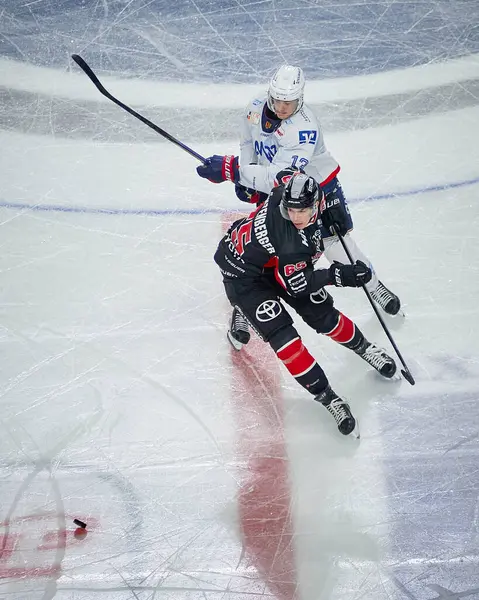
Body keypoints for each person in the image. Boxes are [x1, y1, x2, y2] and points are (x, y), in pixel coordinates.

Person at [197, 64, 402, 349]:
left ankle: (373, 285)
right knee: (260, 249)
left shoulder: (304, 128)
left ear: (300, 98)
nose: (282, 107)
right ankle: (243, 307)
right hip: (276, 188)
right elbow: (248, 144)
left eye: (289, 102)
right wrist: (247, 175)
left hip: (316, 187)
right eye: (278, 99)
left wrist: (233, 171)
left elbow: (280, 176)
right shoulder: (255, 107)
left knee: (334, 243)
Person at [213, 170, 397, 436]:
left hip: (272, 260)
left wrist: (330, 208)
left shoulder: (288, 186)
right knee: (286, 342)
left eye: (303, 210)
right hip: (244, 276)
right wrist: (340, 275)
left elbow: (282, 173)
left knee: (323, 315)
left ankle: (365, 348)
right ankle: (328, 397)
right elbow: (298, 284)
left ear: (316, 201)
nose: (297, 217)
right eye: (291, 211)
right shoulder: (291, 242)